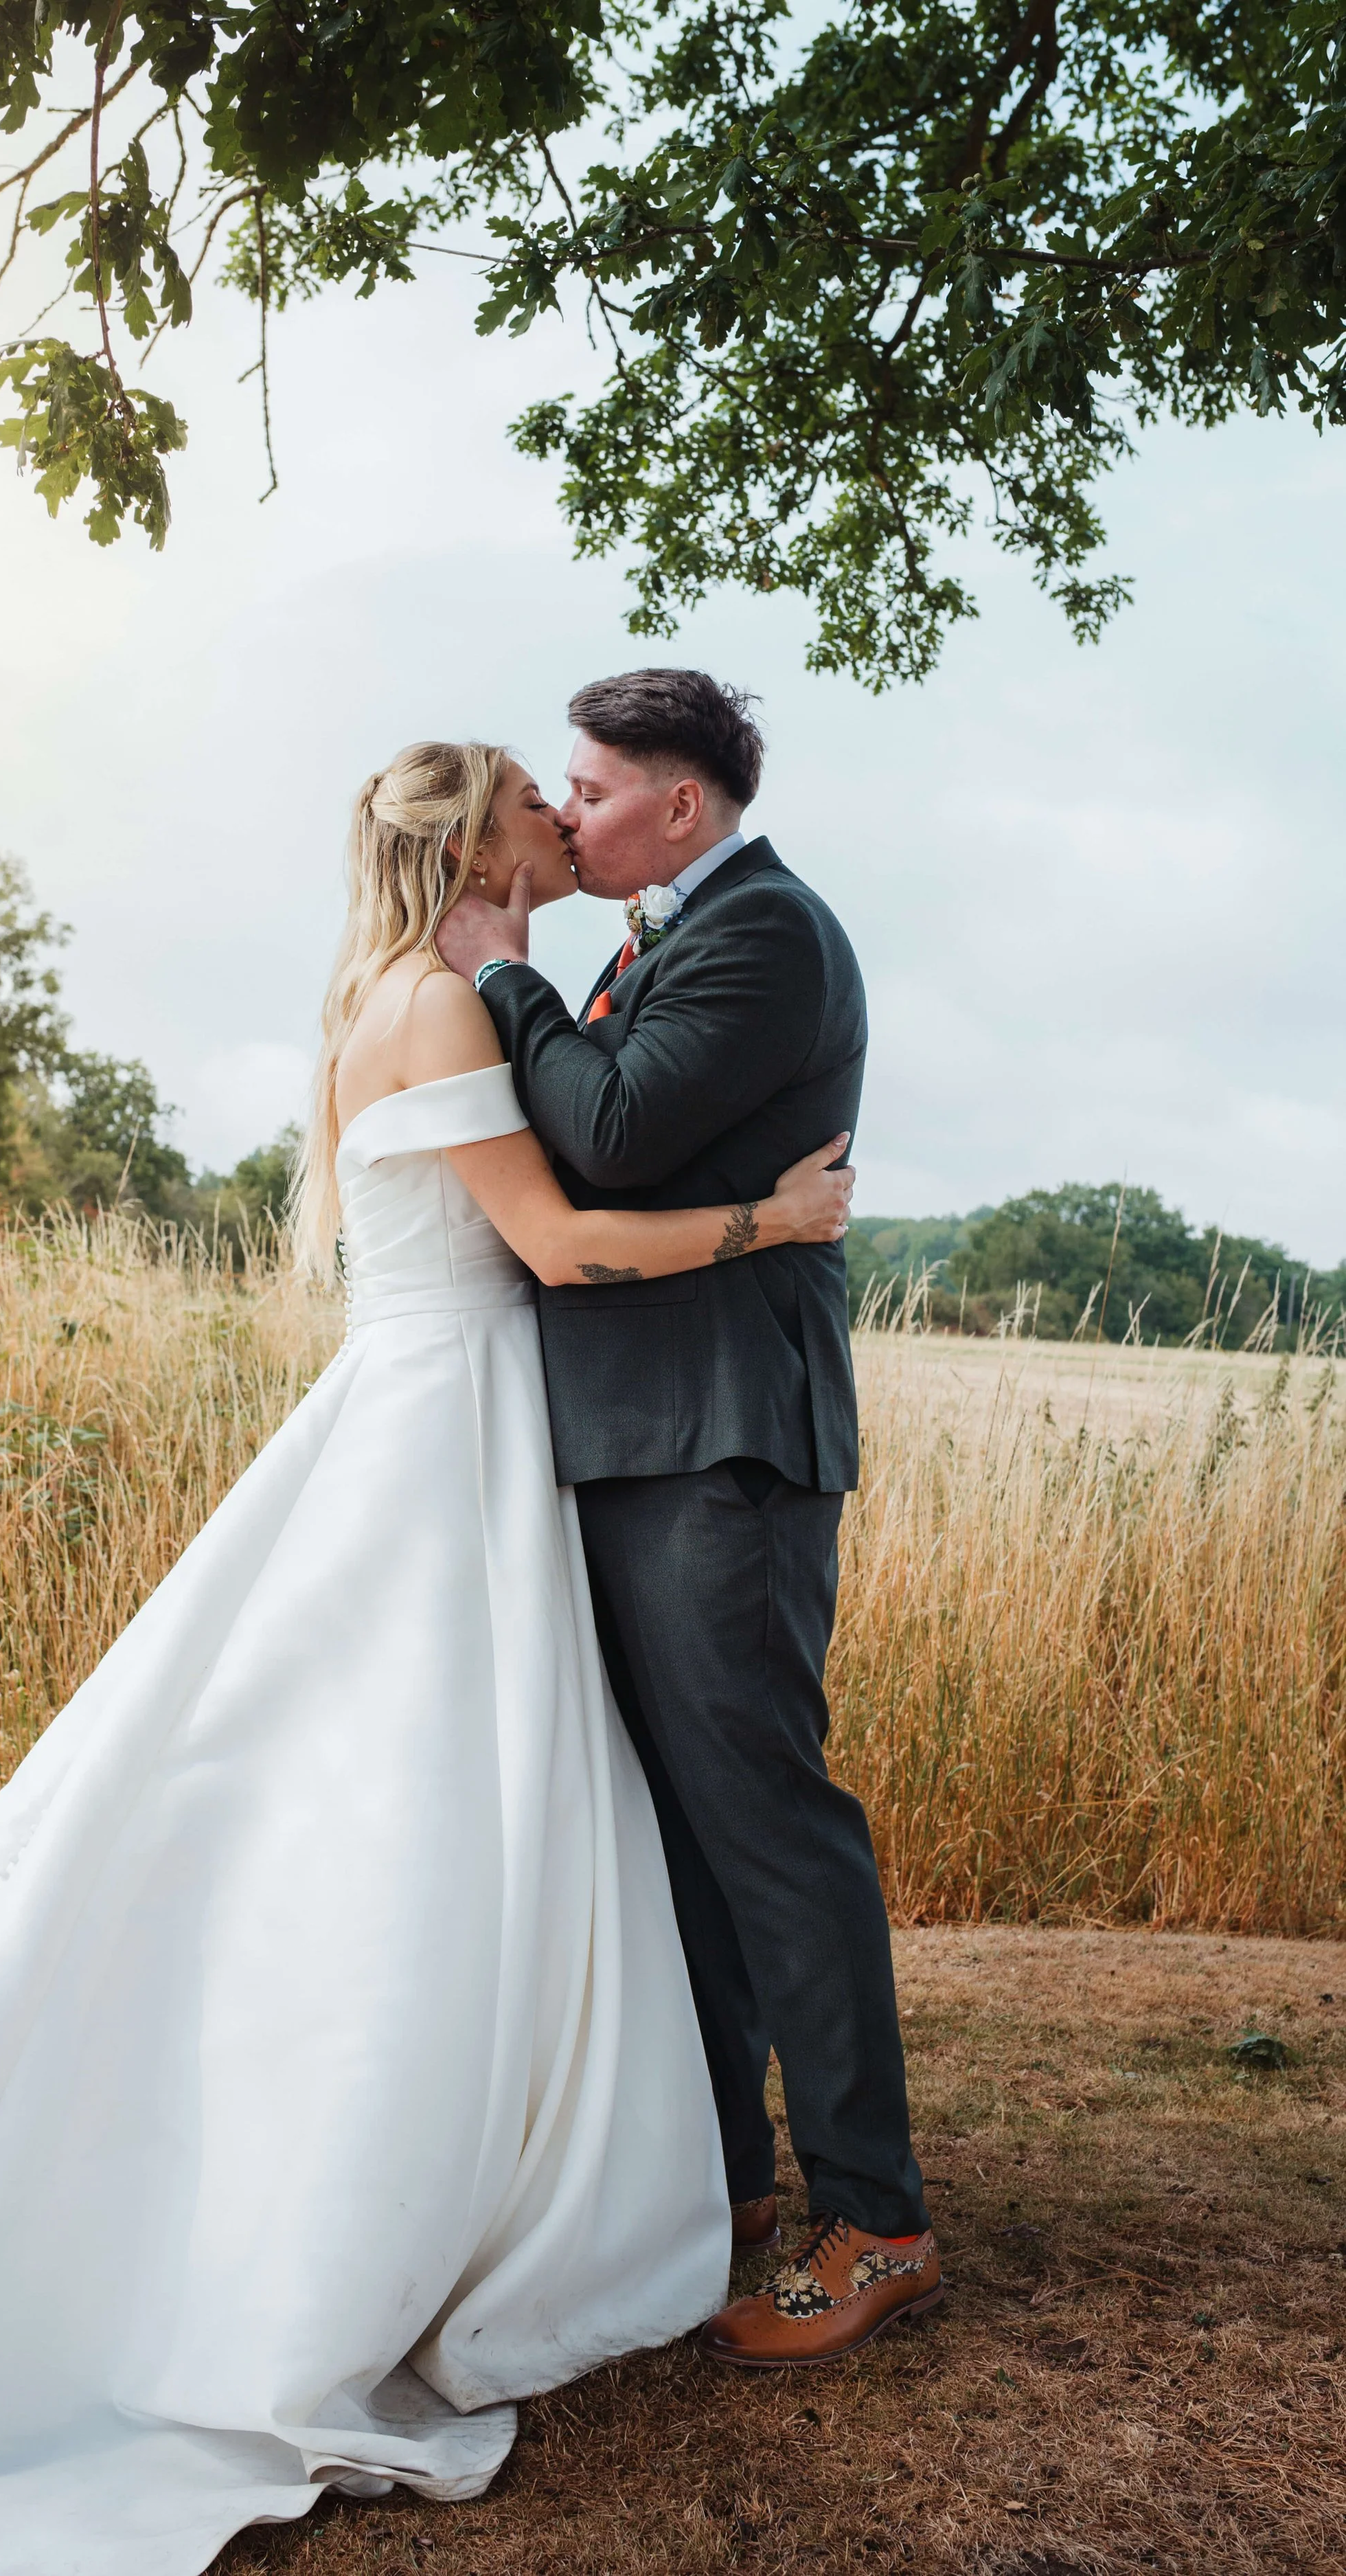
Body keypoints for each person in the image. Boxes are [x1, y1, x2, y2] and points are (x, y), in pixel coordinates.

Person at [0, 741, 858, 2575]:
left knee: (387, 1794)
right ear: (472, 840)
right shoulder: (441, 1002)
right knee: (407, 1802)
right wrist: (779, 1218)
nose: (558, 816)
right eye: (535, 795)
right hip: (444, 1437)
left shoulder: (395, 992)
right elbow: (559, 1241)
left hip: (436, 1418)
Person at [435, 669, 942, 2369]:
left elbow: (609, 1135)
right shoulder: (664, 937)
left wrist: (503, 978)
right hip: (642, 1436)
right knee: (679, 1840)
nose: (567, 816)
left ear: (676, 804)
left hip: (723, 1443)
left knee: (765, 1824)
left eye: (588, 788)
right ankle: (725, 2182)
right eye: (561, 791)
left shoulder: (765, 935)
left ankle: (873, 2220)